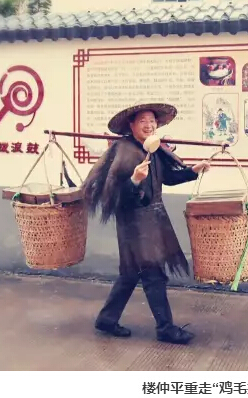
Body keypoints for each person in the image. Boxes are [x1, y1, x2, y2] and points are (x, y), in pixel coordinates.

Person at [82, 103, 210, 345]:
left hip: (153, 219)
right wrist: (133, 180)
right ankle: (165, 328)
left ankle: (107, 320)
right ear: (131, 125)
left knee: (130, 274)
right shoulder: (125, 151)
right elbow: (113, 194)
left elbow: (167, 177)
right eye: (142, 121)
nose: (149, 125)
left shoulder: (153, 148)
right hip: (134, 223)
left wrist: (193, 171)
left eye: (152, 120)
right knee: (153, 273)